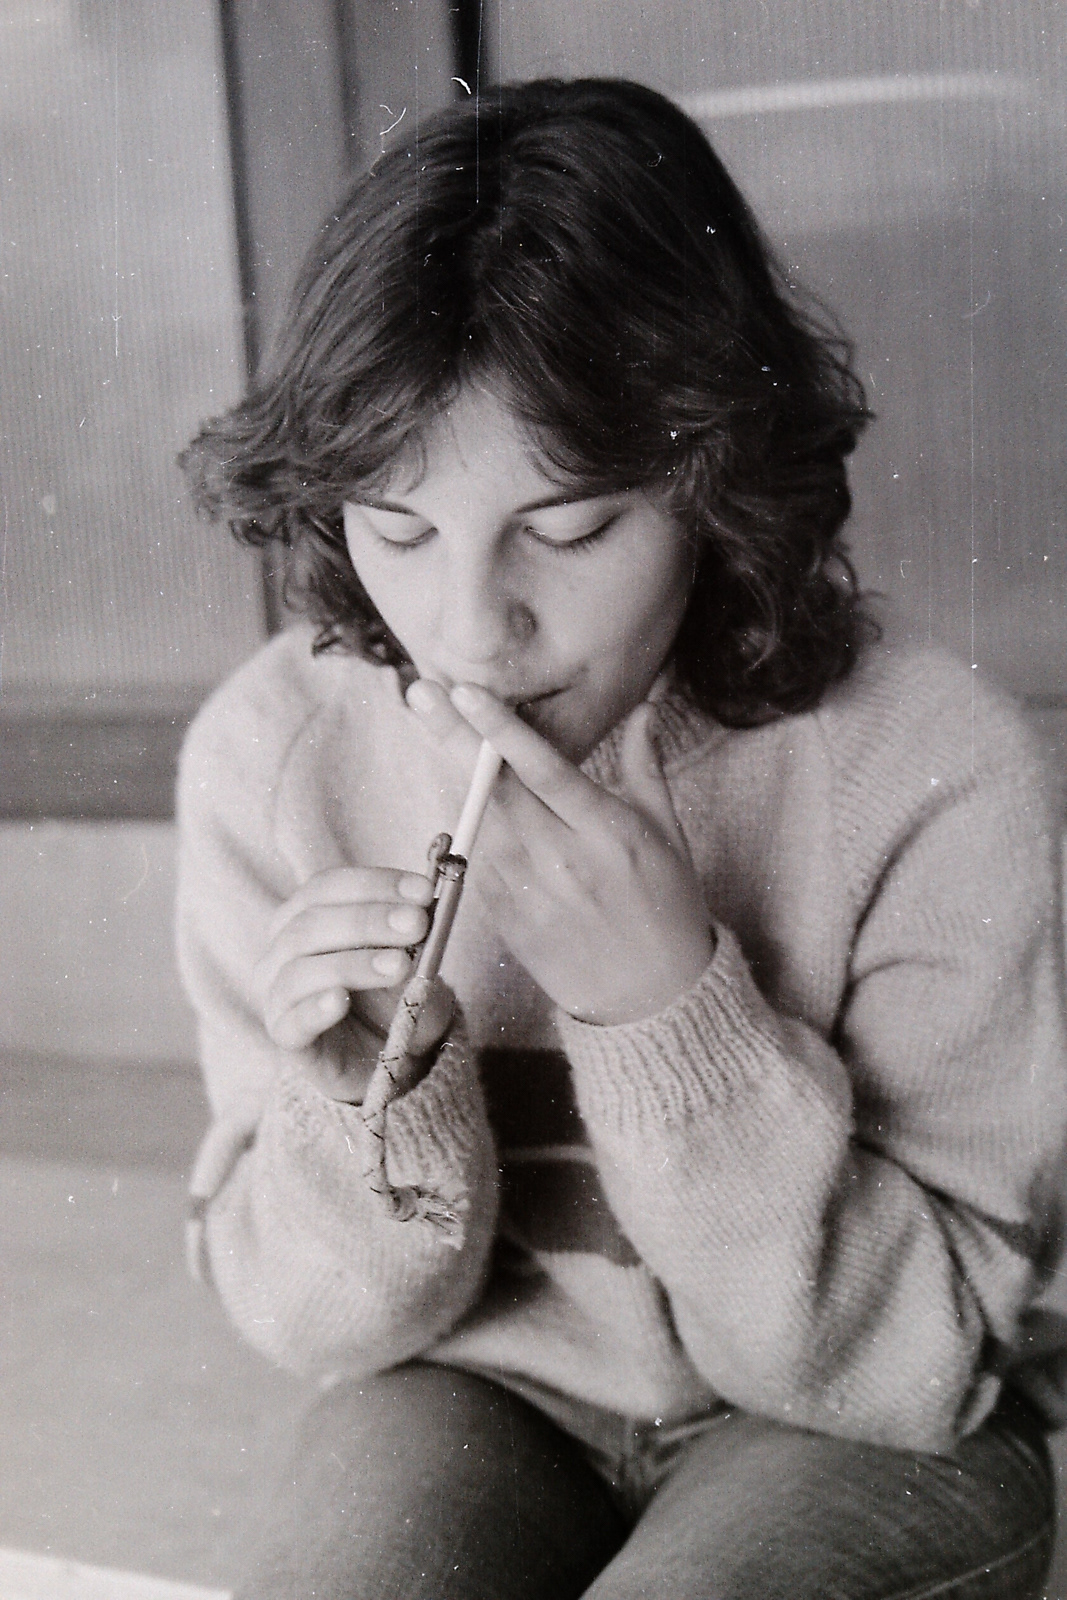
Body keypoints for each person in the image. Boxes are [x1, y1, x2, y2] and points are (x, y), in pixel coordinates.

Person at [177, 77, 1067, 1600]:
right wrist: (362, 1117)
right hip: (484, 1388)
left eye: (571, 528)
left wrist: (669, 1010)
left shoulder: (934, 764)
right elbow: (320, 1331)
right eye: (399, 529)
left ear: (716, 484)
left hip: (855, 1428)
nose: (473, 629)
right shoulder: (274, 758)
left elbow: (920, 1364)